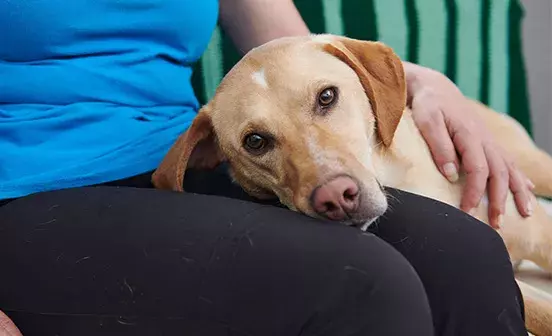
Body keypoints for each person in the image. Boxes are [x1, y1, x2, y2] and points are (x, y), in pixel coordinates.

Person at [0, 0, 532, 335]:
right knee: (360, 283)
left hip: (181, 158)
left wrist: (421, 82)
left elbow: (288, 45)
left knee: (464, 252)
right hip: (32, 189)